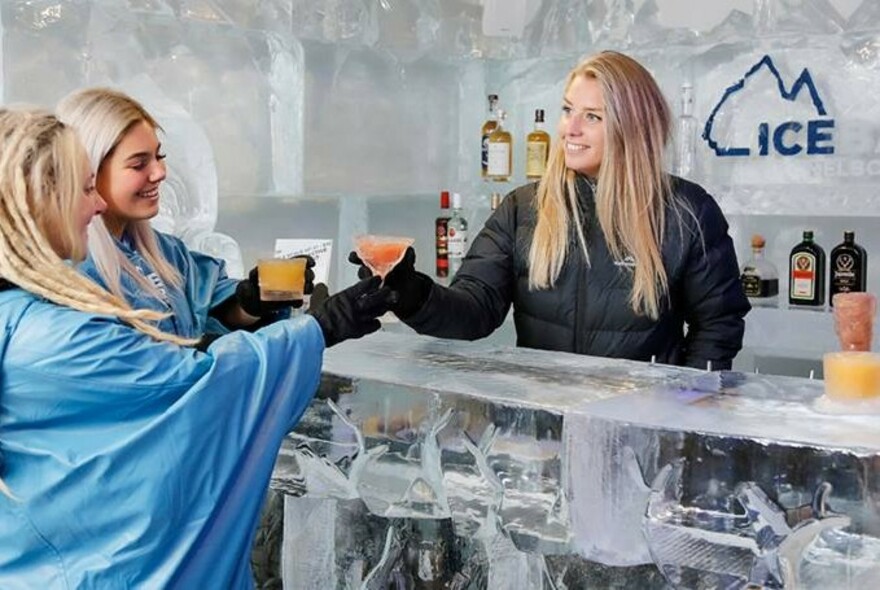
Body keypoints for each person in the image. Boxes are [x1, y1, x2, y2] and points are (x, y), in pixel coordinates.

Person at [0, 108, 390, 587]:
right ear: (40, 200)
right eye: (85, 189)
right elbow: (198, 386)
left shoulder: (28, 307)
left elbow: (199, 323)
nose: (97, 205)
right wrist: (318, 331)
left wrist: (248, 304)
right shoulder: (54, 335)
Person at [353, 51, 750, 370]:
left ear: (633, 126)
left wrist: (681, 416)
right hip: (543, 432)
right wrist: (409, 293)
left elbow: (717, 327)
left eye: (592, 117)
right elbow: (473, 311)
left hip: (640, 431)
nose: (569, 129)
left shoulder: (686, 212)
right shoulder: (523, 208)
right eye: (567, 110)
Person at [57, 87, 309, 347]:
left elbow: (210, 309)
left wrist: (252, 301)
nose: (160, 172)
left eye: (159, 156)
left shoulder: (167, 252)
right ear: (89, 171)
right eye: (138, 164)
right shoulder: (72, 274)